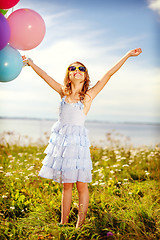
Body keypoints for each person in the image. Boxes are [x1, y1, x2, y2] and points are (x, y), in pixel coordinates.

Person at [22, 48, 142, 228]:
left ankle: (80, 224)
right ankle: (63, 222)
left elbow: (108, 74)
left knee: (81, 186)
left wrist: (126, 55)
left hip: (78, 146)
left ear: (85, 76)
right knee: (67, 185)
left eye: (81, 69)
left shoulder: (88, 96)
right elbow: (44, 75)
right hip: (63, 145)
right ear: (68, 75)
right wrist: (30, 63)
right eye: (72, 68)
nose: (76, 70)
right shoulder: (63, 92)